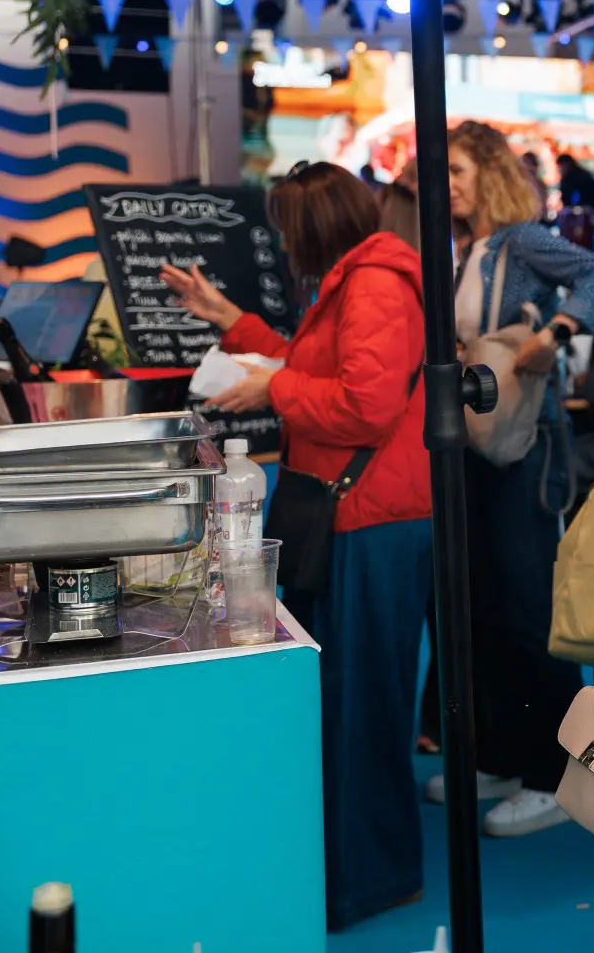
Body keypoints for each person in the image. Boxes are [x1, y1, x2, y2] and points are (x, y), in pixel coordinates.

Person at [161, 163, 431, 931]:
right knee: (347, 698)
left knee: (362, 705)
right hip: (354, 514)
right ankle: (354, 872)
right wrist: (231, 319)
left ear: (312, 228)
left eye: (286, 229)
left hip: (373, 519)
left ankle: (370, 879)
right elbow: (309, 366)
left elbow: (364, 406)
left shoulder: (375, 283)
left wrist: (270, 391)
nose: (282, 245)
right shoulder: (354, 282)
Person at [424, 121, 594, 837]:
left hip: (526, 446)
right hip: (476, 447)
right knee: (483, 607)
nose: (447, 185)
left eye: (457, 170)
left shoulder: (520, 239)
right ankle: (506, 753)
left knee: (527, 609)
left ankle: (552, 772)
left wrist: (556, 332)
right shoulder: (464, 250)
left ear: (489, 172)